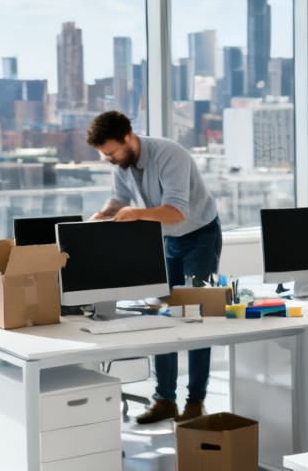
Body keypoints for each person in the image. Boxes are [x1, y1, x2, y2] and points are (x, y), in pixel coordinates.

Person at [86, 110, 222, 425]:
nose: (109, 159)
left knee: (195, 318)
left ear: (128, 137)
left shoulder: (170, 154)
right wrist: (100, 217)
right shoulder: (122, 163)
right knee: (161, 317)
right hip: (166, 240)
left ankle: (196, 401)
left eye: (111, 152)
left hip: (200, 235)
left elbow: (177, 212)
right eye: (104, 155)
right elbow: (120, 200)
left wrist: (136, 214)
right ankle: (165, 400)